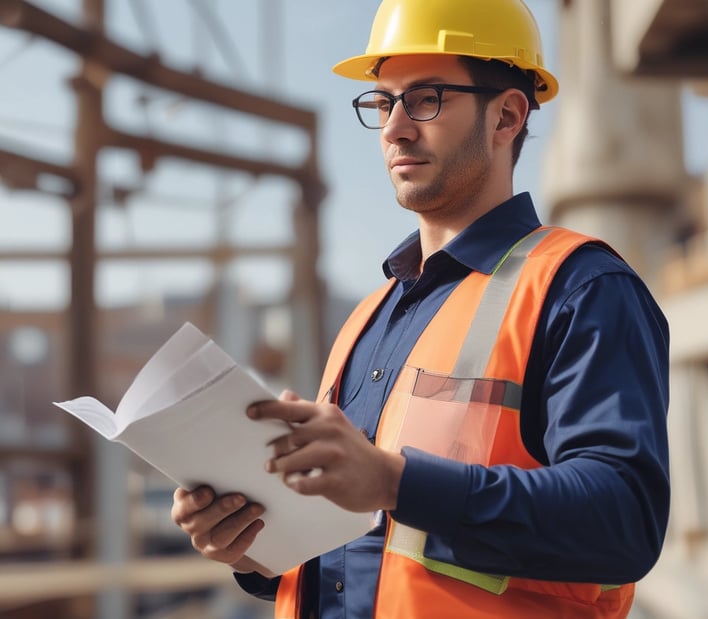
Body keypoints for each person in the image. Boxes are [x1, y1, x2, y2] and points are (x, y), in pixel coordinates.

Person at [171, 1, 670, 617]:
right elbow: (364, 558)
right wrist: (250, 546)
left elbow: (624, 520)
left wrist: (395, 482)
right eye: (383, 102)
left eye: (427, 98)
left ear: (507, 115)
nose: (395, 128)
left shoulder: (581, 289)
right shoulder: (368, 318)